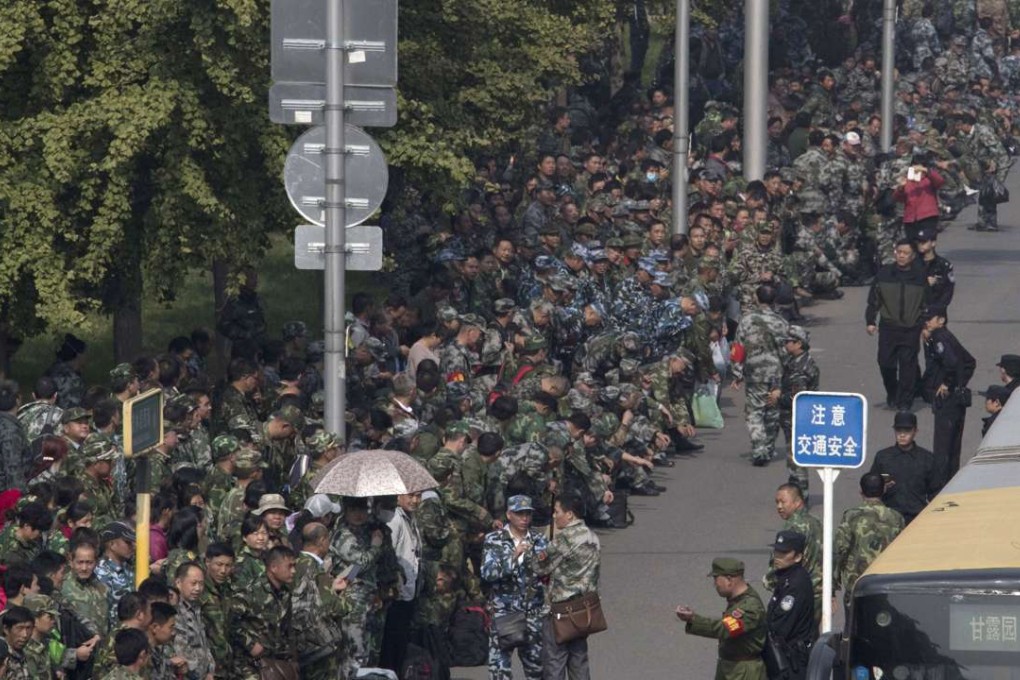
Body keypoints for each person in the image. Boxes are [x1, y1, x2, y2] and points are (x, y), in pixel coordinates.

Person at [481, 494, 549, 680]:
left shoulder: (539, 539)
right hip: (505, 612)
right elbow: (488, 573)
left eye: (527, 514)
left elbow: (548, 572)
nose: (524, 518)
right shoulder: (494, 540)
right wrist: (512, 557)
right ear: (509, 515)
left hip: (533, 611)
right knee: (499, 670)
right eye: (519, 514)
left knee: (536, 668)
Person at [535, 493, 600, 680]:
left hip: (560, 610)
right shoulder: (592, 537)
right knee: (579, 663)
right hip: (584, 609)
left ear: (569, 514)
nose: (554, 516)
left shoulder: (564, 540)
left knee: (555, 663)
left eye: (557, 512)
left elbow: (539, 566)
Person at [676, 557, 767, 680]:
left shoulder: (750, 607)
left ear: (729, 579)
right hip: (731, 667)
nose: (715, 585)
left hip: (743, 673)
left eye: (716, 579)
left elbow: (725, 628)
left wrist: (693, 619)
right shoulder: (738, 600)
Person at [866, 239, 928, 411]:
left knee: (908, 366)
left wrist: (925, 326)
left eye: (905, 253)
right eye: (899, 252)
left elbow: (926, 304)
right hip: (888, 327)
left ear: (913, 256)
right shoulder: (884, 274)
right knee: (885, 363)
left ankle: (905, 402)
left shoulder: (919, 276)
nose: (901, 256)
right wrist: (870, 321)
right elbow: (873, 300)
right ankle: (892, 392)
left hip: (911, 328)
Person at [732, 286, 790, 466]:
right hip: (776, 372)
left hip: (754, 372)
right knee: (772, 412)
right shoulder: (781, 322)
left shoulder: (747, 320)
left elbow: (738, 348)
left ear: (757, 298)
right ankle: (769, 447)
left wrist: (737, 372)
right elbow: (786, 350)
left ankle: (759, 448)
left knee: (755, 412)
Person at [834, 473, 904, 608]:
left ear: (861, 491)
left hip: (856, 585)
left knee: (855, 625)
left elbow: (838, 550)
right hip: (886, 585)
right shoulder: (896, 518)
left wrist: (832, 586)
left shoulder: (851, 516)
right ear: (884, 489)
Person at [920, 305, 975, 478]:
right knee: (953, 445)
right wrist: (960, 384)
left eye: (930, 319)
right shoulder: (945, 336)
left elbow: (950, 364)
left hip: (947, 399)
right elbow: (969, 362)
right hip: (956, 398)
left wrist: (948, 384)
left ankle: (941, 485)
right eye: (925, 319)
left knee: (943, 446)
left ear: (941, 320)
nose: (927, 322)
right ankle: (952, 479)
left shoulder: (939, 338)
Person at [869, 411, 943, 523]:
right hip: (888, 518)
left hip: (917, 518)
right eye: (899, 430)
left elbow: (936, 492)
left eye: (907, 430)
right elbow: (871, 487)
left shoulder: (927, 459)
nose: (902, 434)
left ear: (915, 431)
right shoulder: (883, 457)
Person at [773, 326, 819, 494]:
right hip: (791, 419)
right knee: (793, 459)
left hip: (798, 419)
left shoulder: (801, 368)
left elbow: (798, 398)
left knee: (796, 459)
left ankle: (801, 495)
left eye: (789, 342)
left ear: (799, 343)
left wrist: (778, 397)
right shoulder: (794, 362)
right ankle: (795, 491)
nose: (785, 345)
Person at [764, 531, 816, 680]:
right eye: (777, 551)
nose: (777, 556)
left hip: (792, 659)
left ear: (798, 557)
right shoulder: (786, 578)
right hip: (785, 655)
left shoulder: (795, 584)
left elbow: (780, 627)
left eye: (784, 552)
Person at [893, 158, 944, 242]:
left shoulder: (929, 180)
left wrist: (925, 169)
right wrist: (901, 188)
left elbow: (940, 181)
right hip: (910, 218)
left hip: (927, 217)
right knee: (912, 243)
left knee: (925, 242)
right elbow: (898, 198)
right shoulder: (908, 182)